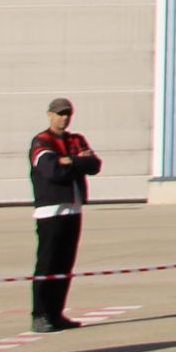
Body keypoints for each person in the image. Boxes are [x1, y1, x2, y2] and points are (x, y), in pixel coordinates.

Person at [28, 97, 101, 332]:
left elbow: (94, 165)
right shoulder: (41, 141)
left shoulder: (76, 139)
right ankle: (40, 314)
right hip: (50, 211)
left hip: (74, 209)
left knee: (64, 264)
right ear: (50, 115)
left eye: (67, 114)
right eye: (60, 114)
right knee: (47, 264)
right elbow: (52, 171)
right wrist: (76, 162)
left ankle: (56, 313)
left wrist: (69, 161)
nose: (64, 118)